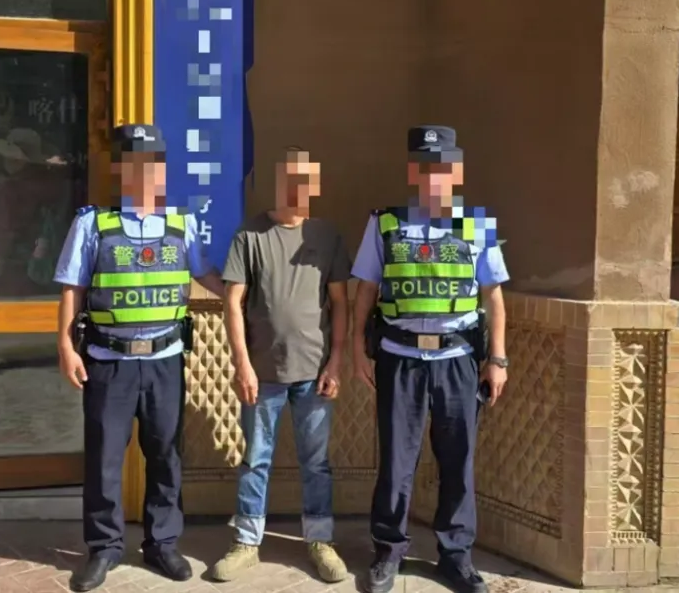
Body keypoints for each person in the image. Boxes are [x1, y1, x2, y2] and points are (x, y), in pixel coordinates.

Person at [54, 124, 225, 592]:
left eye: (151, 165)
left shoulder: (181, 224)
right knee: (105, 459)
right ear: (120, 170)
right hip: (108, 360)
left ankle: (162, 543)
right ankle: (104, 548)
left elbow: (205, 274)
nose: (143, 174)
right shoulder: (93, 224)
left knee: (166, 455)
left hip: (165, 359)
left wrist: (243, 298)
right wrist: (66, 346)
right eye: (133, 165)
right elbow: (73, 288)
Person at [349, 126, 509, 593]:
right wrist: (358, 347)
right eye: (425, 168)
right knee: (396, 461)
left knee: (458, 461)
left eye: (442, 169)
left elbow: (494, 298)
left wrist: (497, 360)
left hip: (457, 360)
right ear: (413, 173)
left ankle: (455, 557)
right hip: (399, 357)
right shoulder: (385, 223)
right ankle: (388, 551)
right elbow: (366, 290)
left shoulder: (477, 225)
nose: (433, 177)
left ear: (456, 173)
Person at [211, 147, 352, 583]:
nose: (297, 188)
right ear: (278, 181)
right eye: (291, 179)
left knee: (316, 463)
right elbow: (233, 302)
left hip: (314, 373)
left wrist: (336, 361)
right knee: (255, 460)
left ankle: (320, 541)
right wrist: (242, 364)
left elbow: (340, 303)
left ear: (316, 186)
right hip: (263, 374)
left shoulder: (326, 235)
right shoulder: (250, 235)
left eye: (306, 180)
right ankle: (247, 542)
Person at [0, 127, 71, 298]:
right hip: (57, 272)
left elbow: (3, 237)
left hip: (17, 275)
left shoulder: (11, 189)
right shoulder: (59, 185)